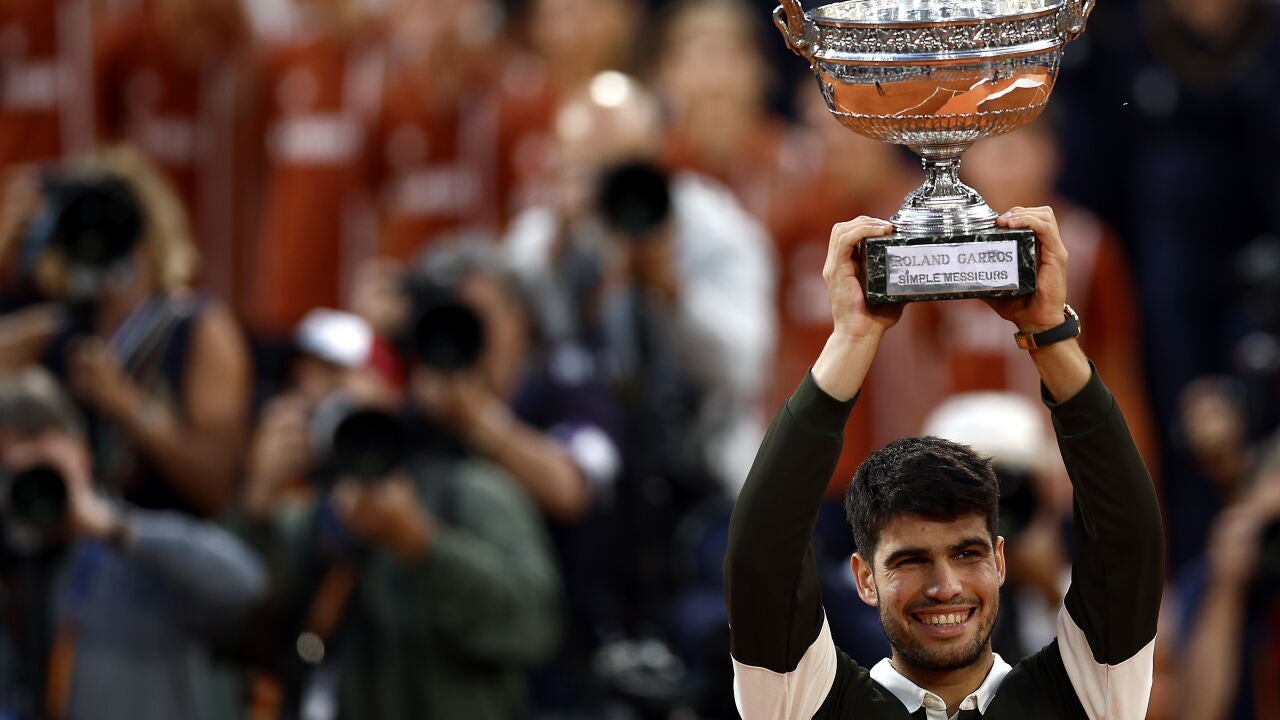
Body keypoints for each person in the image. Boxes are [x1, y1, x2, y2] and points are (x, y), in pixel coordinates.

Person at [724, 208, 1164, 718]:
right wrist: (851, 339)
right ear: (864, 577)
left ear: (999, 561)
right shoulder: (805, 703)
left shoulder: (1087, 694)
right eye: (910, 560)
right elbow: (762, 556)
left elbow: (1127, 540)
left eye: (968, 553)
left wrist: (1049, 333)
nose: (945, 587)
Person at [0, 366, 266, 720]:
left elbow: (245, 585)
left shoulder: (133, 546)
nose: (27, 483)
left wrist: (116, 528)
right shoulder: (16, 567)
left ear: (81, 452)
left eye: (42, 460)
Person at [0, 146, 252, 518]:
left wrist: (126, 405)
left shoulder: (197, 327)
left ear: (148, 232)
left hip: (167, 535)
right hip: (71, 536)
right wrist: (6, 243)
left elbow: (218, 486)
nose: (97, 235)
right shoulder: (56, 330)